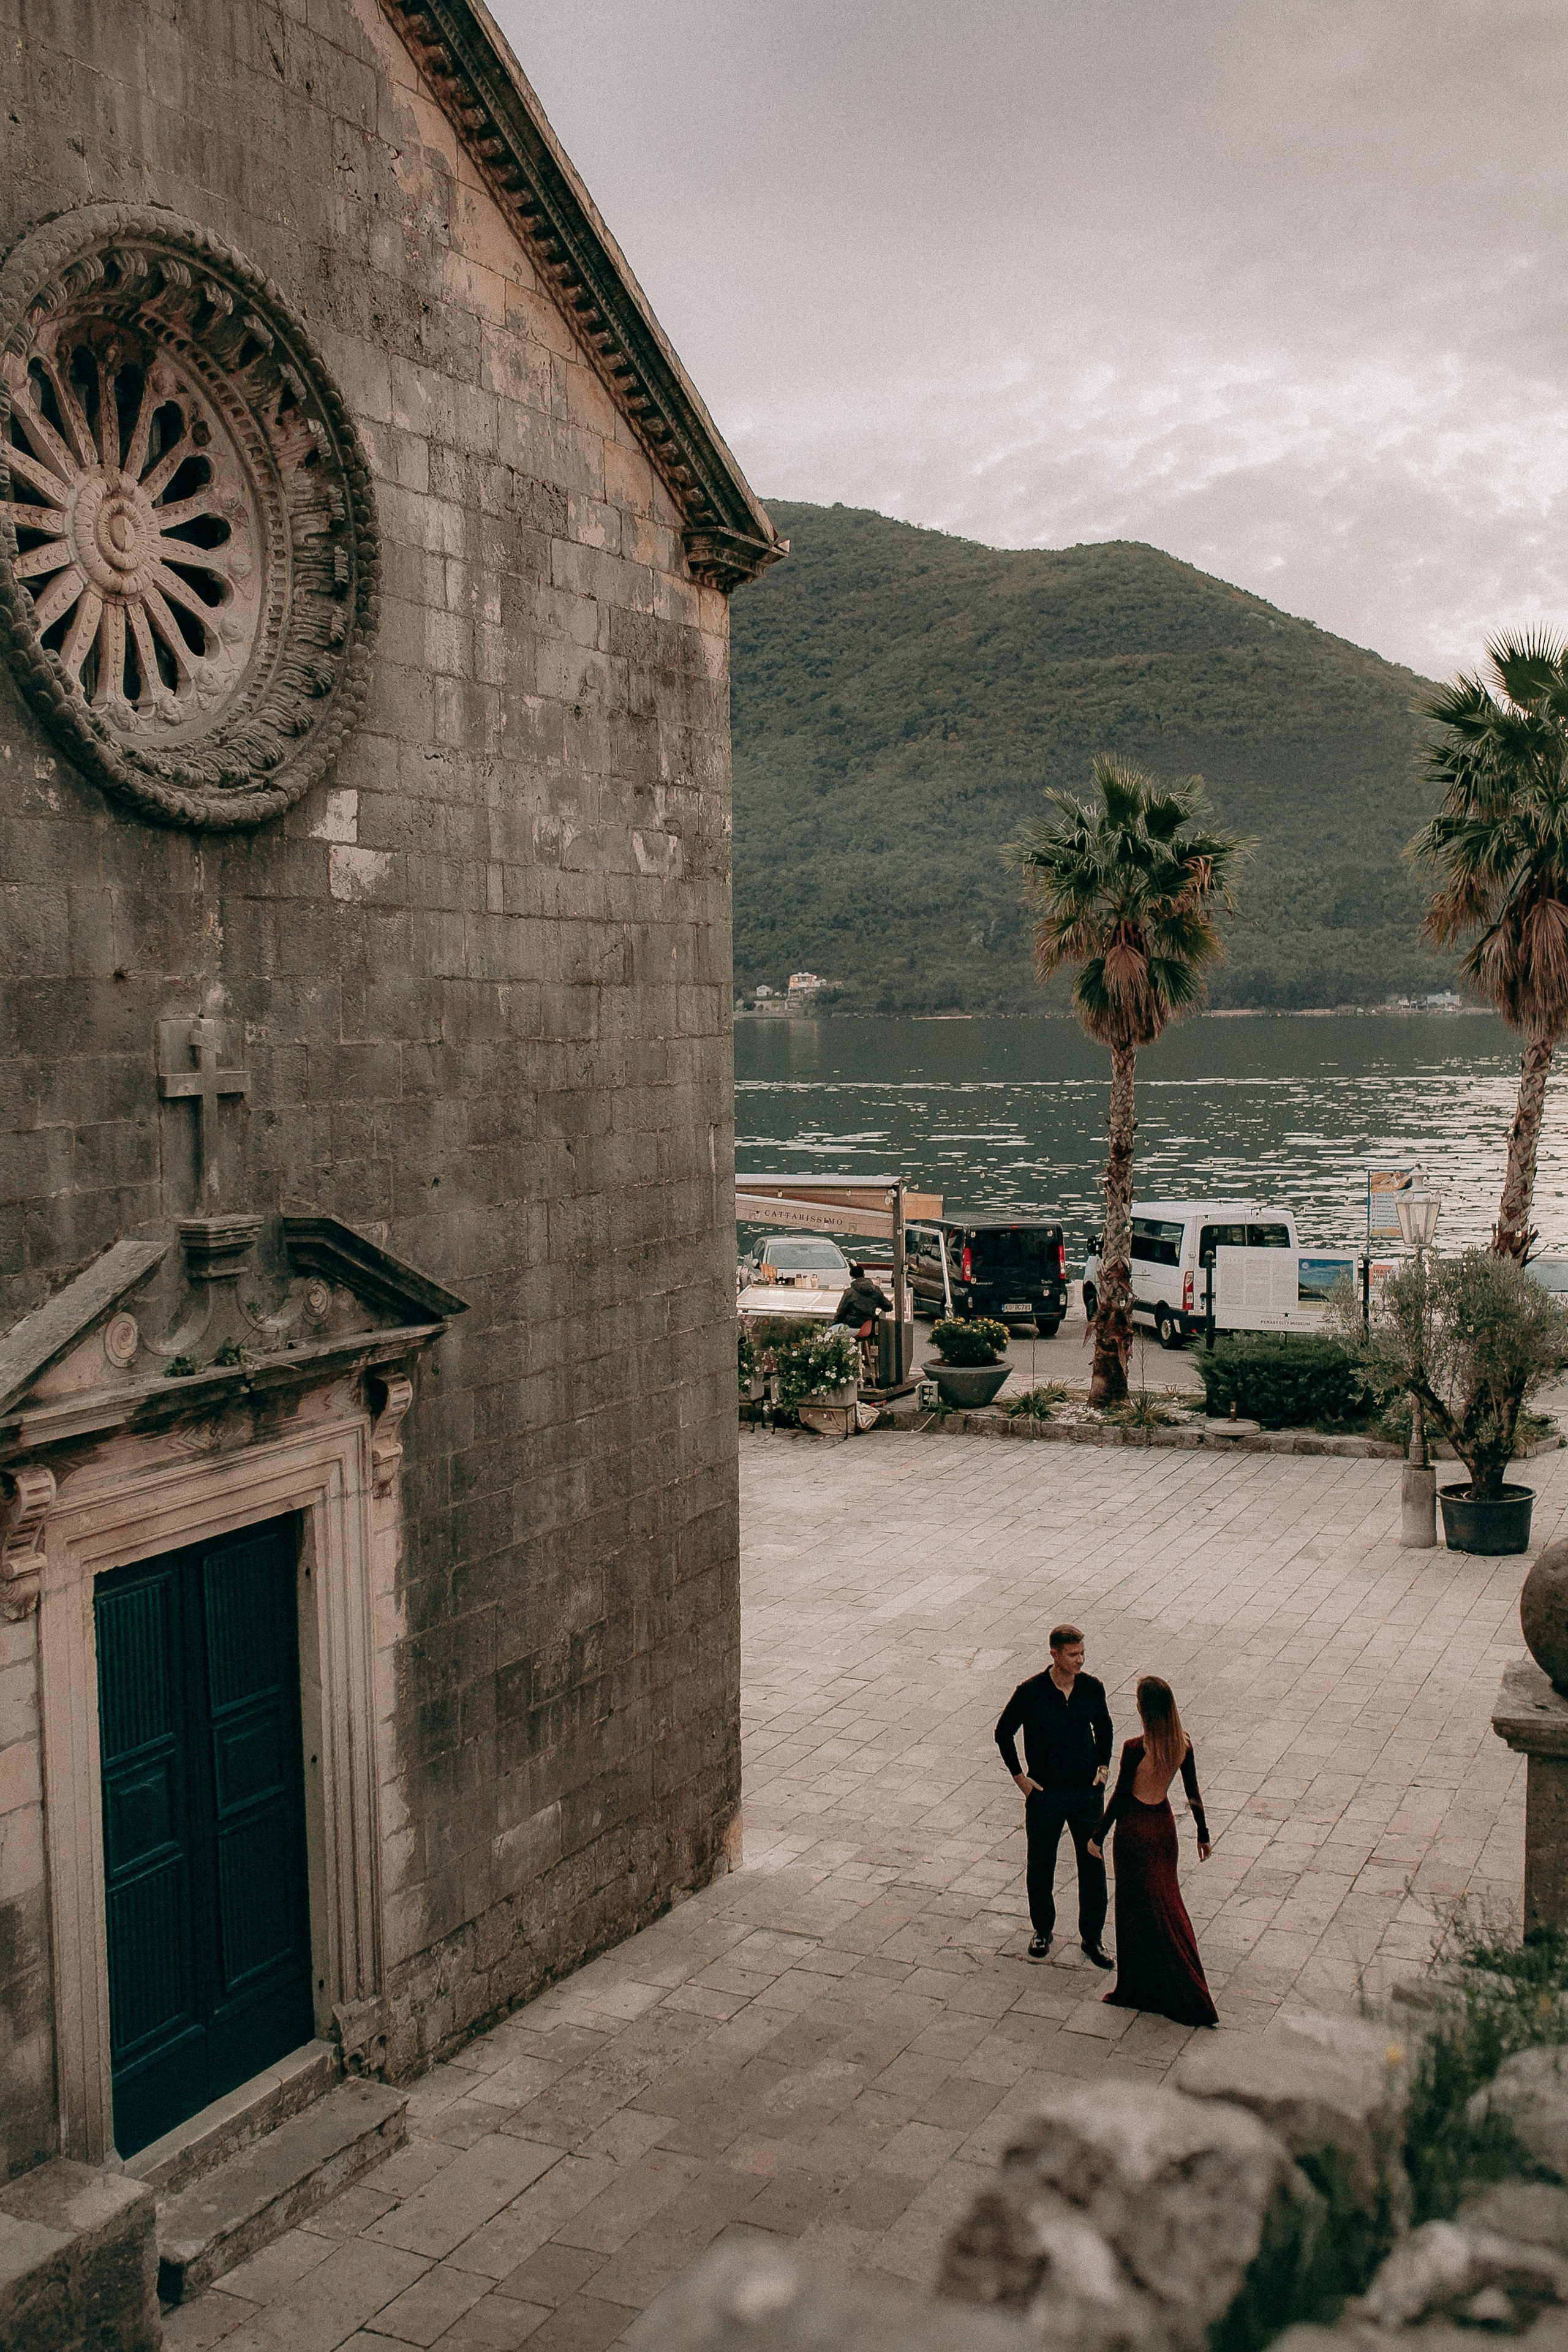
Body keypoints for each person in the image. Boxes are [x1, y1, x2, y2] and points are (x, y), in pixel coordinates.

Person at [1088, 1675, 1217, 2028]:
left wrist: (1097, 1837)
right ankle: (1182, 1982)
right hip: (1163, 1830)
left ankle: (1140, 1986)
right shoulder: (1182, 1745)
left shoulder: (1135, 1748)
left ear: (1144, 1709)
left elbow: (1118, 1799)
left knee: (1135, 1909)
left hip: (1133, 1832)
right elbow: (1193, 1793)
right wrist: (1203, 1835)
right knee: (1167, 1901)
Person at [995, 1625, 1114, 1967]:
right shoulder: (1030, 1692)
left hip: (1086, 1794)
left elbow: (1104, 1727)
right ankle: (1043, 1930)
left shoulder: (1092, 1688)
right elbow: (1004, 1733)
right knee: (1041, 1862)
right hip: (1046, 1792)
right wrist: (1021, 1779)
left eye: (1082, 1653)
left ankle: (1093, 1938)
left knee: (1092, 1864)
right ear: (1055, 1654)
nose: (1080, 1660)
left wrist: (1103, 1769)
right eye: (1074, 1654)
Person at [833, 1262, 892, 1335]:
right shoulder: (876, 1290)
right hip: (868, 1328)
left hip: (852, 1327)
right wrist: (876, 1303)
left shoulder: (850, 1292)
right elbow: (888, 1307)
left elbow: (841, 1311)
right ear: (864, 1275)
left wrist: (835, 1323)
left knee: (830, 1331)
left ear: (852, 1277)